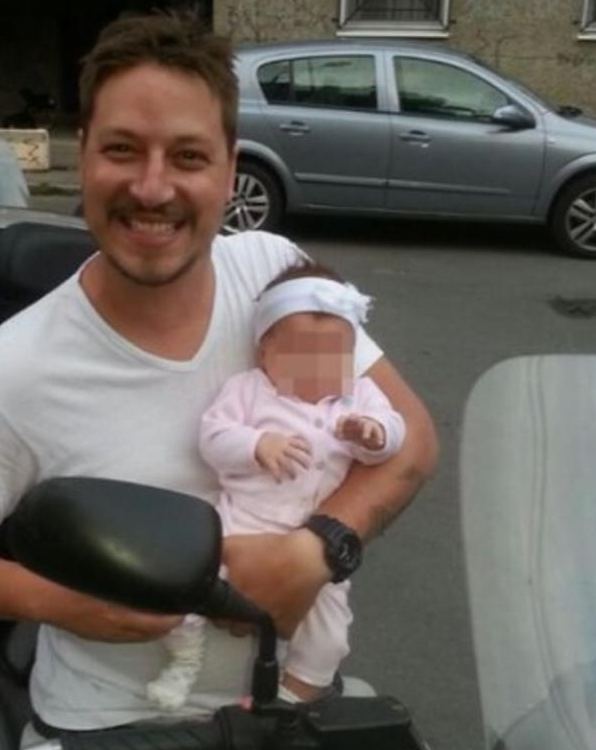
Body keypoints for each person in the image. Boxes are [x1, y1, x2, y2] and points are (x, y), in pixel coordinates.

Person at [0, 11, 439, 750]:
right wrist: (67, 605)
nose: (152, 188)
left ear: (230, 169)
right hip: (116, 749)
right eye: (121, 150)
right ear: (83, 155)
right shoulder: (14, 375)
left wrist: (321, 546)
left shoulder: (275, 278)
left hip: (290, 713)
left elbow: (410, 440)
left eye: (187, 156)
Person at [146, 261, 406, 712]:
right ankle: (183, 663)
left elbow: (397, 430)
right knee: (187, 591)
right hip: (241, 525)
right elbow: (213, 436)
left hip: (317, 540)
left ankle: (291, 698)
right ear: (265, 351)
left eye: (335, 357)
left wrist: (375, 434)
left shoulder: (359, 397)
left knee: (330, 636)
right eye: (301, 357)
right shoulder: (248, 390)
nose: (318, 371)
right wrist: (255, 444)